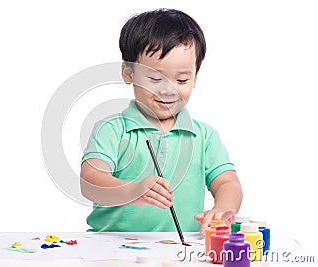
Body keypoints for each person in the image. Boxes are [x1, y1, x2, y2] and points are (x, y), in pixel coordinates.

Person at [80, 8, 242, 234]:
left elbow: (227, 183)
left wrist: (223, 208)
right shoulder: (112, 130)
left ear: (195, 77)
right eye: (155, 78)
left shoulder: (204, 136)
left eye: (182, 79)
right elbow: (90, 182)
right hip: (110, 249)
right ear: (128, 73)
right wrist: (132, 190)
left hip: (179, 249)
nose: (168, 89)